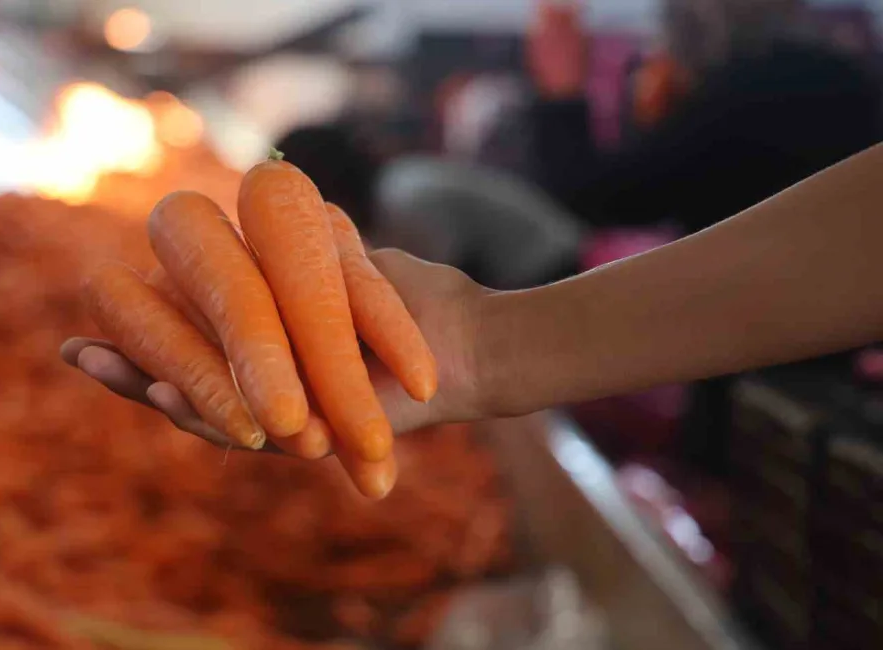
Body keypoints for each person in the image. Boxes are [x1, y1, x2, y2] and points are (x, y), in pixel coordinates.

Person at [61, 142, 883, 449]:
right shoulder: (398, 194)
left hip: (555, 256)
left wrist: (476, 338)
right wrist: (479, 345)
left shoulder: (413, 194)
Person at [522, 0, 882, 232]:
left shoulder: (753, 88)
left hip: (757, 334)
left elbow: (602, 196)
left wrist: (562, 91)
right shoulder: (836, 76)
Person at [275, 123, 586, 290]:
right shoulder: (396, 190)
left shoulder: (407, 202)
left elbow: (451, 286)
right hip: (535, 262)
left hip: (552, 264)